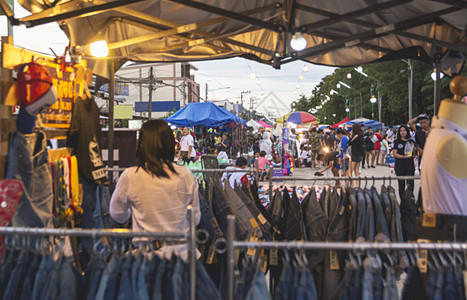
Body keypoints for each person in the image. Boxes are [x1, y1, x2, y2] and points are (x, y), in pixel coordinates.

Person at [110, 120, 200, 259]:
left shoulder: (130, 175)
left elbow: (117, 213)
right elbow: (195, 217)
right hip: (184, 256)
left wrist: (133, 213)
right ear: (171, 145)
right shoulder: (186, 174)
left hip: (148, 258)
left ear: (141, 146)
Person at [391, 125, 415, 200]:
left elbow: (414, 153)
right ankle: (403, 201)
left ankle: (410, 200)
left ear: (407, 131)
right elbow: (394, 154)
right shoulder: (396, 141)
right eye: (401, 131)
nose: (402, 132)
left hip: (410, 165)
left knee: (410, 184)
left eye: (404, 130)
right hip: (400, 166)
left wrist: (414, 148)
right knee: (401, 184)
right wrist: (404, 157)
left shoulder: (411, 141)